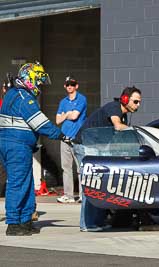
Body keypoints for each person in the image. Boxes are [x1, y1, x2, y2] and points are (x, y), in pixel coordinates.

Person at [0, 62, 70, 236]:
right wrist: (62, 135)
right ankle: (14, 223)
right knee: (18, 184)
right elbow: (41, 123)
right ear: (30, 80)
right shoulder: (25, 98)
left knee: (26, 183)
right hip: (17, 146)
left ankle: (25, 220)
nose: (39, 86)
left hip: (12, 145)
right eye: (38, 82)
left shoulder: (11, 94)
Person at [74, 86, 142, 232]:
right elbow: (117, 126)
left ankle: (96, 222)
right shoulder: (114, 107)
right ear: (125, 99)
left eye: (139, 102)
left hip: (96, 149)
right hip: (84, 147)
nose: (138, 105)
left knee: (101, 185)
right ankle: (87, 224)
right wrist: (136, 130)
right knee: (91, 184)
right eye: (135, 102)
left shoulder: (123, 115)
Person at [56, 76, 87, 203]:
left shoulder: (82, 99)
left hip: (77, 138)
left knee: (81, 168)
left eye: (72, 84)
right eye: (68, 84)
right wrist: (68, 114)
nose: (70, 86)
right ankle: (68, 196)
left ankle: (82, 195)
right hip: (64, 137)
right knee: (66, 168)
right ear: (65, 86)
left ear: (76, 86)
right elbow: (57, 120)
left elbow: (74, 116)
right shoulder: (63, 101)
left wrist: (66, 114)